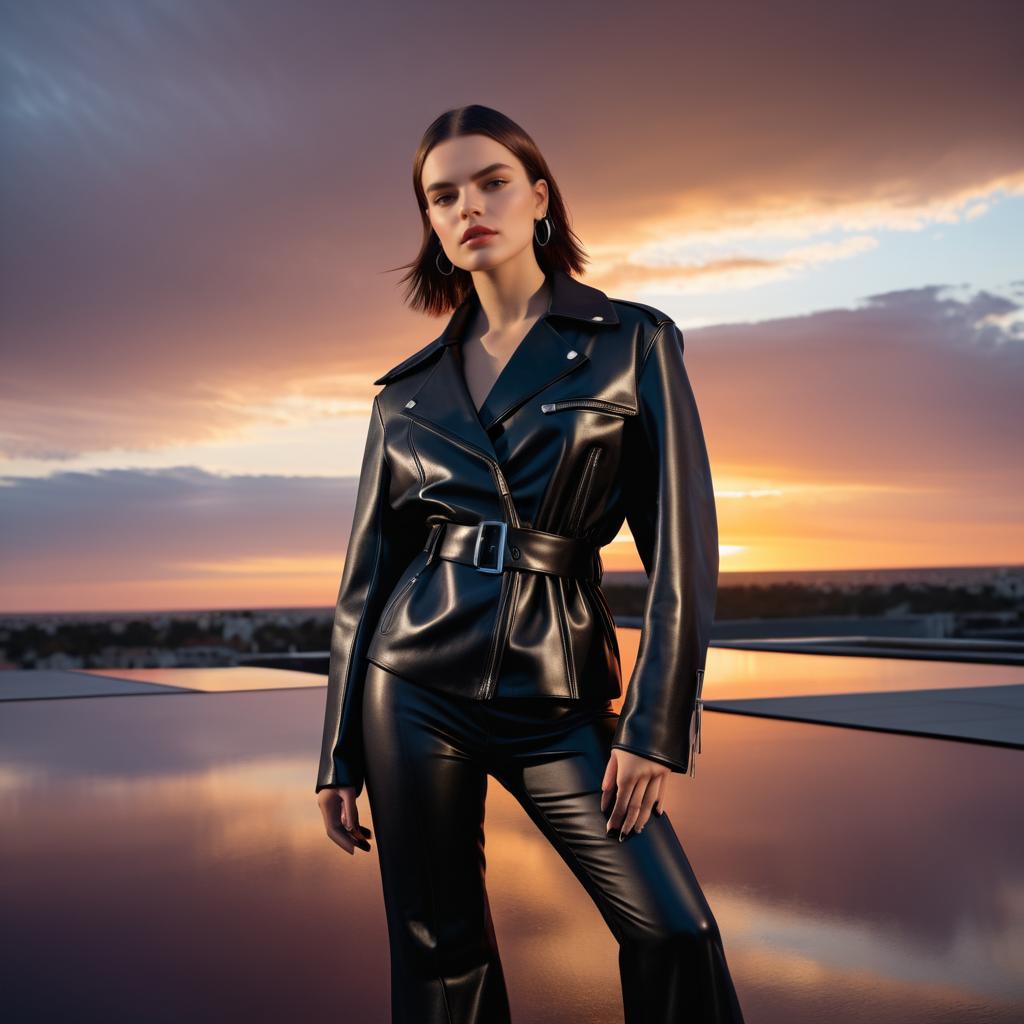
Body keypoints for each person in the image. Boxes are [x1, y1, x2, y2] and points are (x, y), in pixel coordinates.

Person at [315, 104, 745, 1024]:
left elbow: (683, 549)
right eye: (443, 195)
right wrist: (337, 754)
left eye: (492, 181)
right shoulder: (404, 396)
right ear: (430, 223)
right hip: (414, 684)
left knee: (675, 931)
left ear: (540, 196)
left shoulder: (632, 344)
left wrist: (655, 729)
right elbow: (363, 586)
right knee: (441, 954)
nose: (469, 205)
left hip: (561, 697)